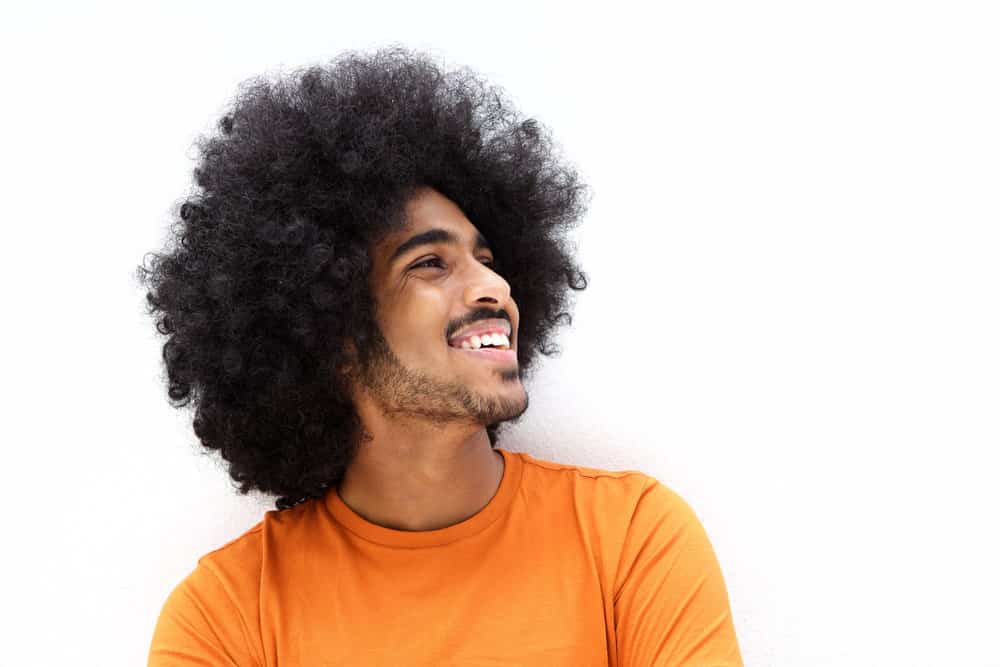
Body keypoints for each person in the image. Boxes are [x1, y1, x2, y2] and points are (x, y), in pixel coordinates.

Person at [138, 44, 743, 666]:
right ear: (334, 333)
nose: (496, 289)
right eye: (430, 263)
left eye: (488, 260)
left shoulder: (631, 536)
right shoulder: (227, 613)